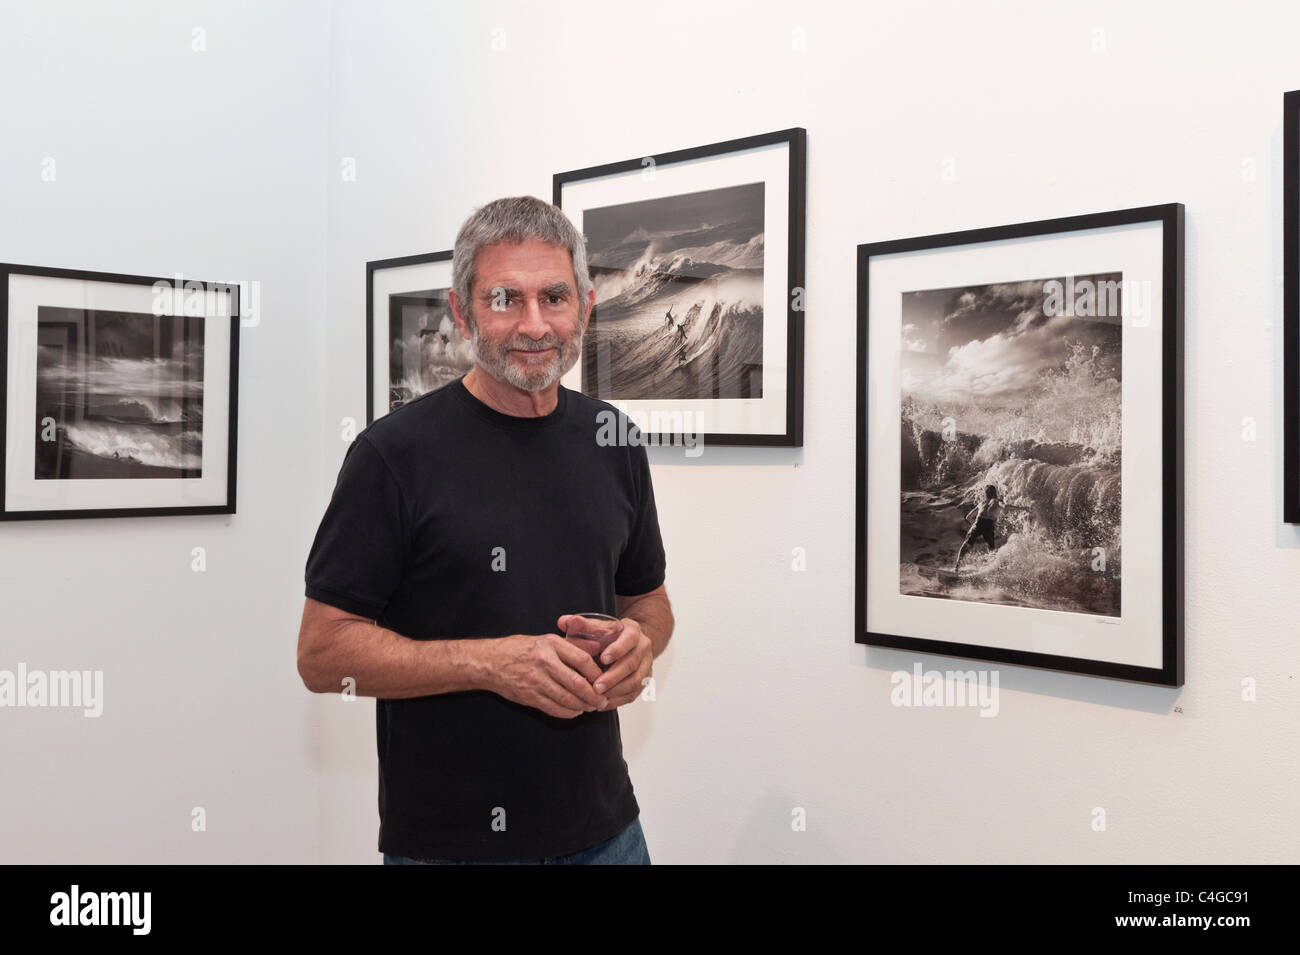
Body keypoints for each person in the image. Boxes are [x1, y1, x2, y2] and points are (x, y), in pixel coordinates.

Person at [298, 196, 674, 865]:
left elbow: (648, 603)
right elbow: (322, 654)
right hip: (452, 847)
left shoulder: (613, 439)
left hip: (609, 832)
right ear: (462, 311)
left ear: (585, 307)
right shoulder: (393, 456)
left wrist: (640, 643)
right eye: (505, 299)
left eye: (554, 297)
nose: (535, 324)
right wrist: (491, 664)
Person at [953, 484, 1029, 572]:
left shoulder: (982, 503)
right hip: (989, 525)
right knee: (991, 549)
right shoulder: (997, 501)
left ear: (987, 493)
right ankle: (992, 569)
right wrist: (1023, 508)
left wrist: (975, 526)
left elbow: (968, 517)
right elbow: (1006, 507)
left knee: (966, 545)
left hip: (978, 522)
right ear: (994, 493)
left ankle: (957, 567)